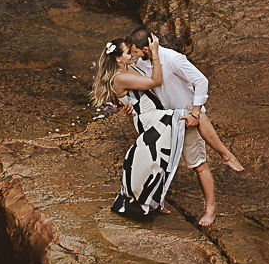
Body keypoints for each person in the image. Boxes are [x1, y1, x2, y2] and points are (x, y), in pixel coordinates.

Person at [122, 27, 243, 228]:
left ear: (146, 47)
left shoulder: (173, 58)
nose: (133, 55)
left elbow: (201, 81)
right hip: (162, 119)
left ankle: (210, 208)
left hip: (184, 118)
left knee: (198, 164)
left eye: (135, 51)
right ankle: (154, 202)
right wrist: (129, 106)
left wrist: (195, 112)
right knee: (158, 163)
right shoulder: (142, 63)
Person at [93, 36, 182, 221]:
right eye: (128, 53)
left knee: (160, 162)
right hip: (149, 119)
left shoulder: (128, 68)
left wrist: (122, 104)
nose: (132, 55)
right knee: (159, 158)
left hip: (153, 114)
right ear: (118, 58)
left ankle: (156, 202)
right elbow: (155, 82)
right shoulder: (121, 77)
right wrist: (155, 54)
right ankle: (144, 203)